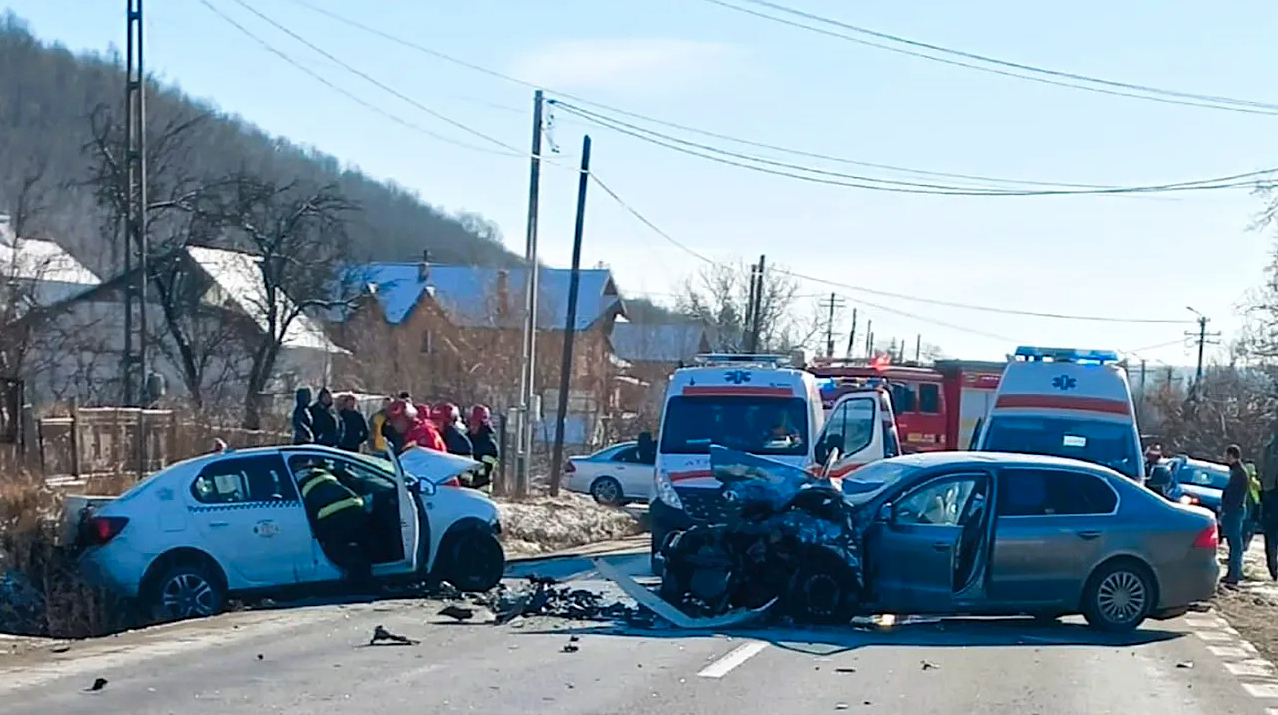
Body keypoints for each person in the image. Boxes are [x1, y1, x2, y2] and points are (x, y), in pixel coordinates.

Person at [294, 458, 374, 587]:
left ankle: (357, 583)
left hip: (330, 514)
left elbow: (307, 509)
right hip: (354, 506)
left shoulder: (294, 481)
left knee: (337, 547)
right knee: (362, 542)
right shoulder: (322, 472)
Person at [1221, 444, 1250, 587]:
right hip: (1233, 510)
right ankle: (1233, 572)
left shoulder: (1239, 473)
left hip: (1235, 511)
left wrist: (1227, 509)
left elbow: (1235, 494)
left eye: (1226, 455)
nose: (1224, 458)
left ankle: (1235, 574)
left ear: (1232, 456)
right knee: (1233, 543)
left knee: (1235, 543)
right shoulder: (1236, 471)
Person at [467, 405, 500, 491]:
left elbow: (487, 469)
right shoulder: (465, 440)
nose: (472, 426)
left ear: (483, 424)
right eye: (471, 423)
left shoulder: (489, 445)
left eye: (475, 423)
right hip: (466, 485)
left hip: (482, 486)